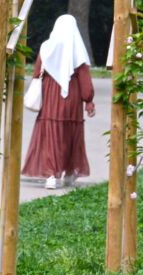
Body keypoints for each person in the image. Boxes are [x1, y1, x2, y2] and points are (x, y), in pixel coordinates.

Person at [22, 15, 95, 190]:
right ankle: (69, 173)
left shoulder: (46, 48)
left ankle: (51, 175)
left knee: (51, 134)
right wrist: (89, 101)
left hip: (50, 97)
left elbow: (37, 71)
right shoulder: (77, 49)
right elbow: (84, 79)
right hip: (72, 99)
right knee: (70, 135)